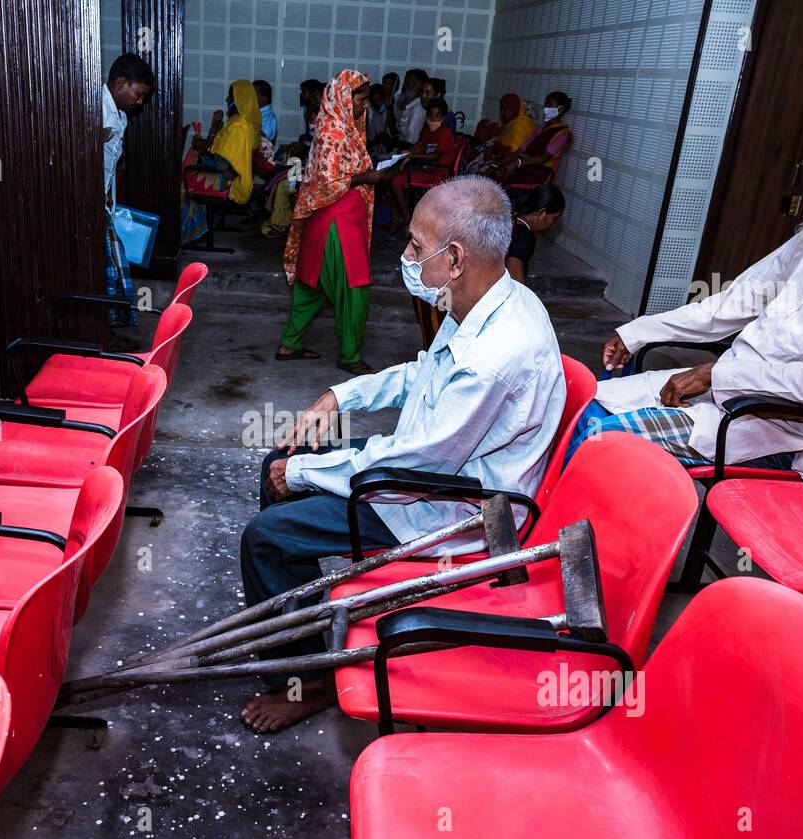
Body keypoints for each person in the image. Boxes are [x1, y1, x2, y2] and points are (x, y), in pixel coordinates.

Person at [241, 175, 567, 732]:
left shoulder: (496, 354)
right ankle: (300, 618)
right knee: (286, 461)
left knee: (266, 534)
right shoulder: (486, 298)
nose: (406, 255)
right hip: (426, 471)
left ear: (456, 258)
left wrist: (300, 473)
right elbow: (422, 374)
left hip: (448, 508)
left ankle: (306, 680)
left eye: (417, 246)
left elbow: (414, 467)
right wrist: (340, 395)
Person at [575, 82, 803, 505]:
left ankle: (591, 558)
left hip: (794, 429)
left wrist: (716, 374)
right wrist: (639, 331)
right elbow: (736, 302)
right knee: (583, 410)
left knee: (599, 442)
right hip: (729, 394)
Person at [275, 70, 385, 374]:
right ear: (343, 98)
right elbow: (327, 180)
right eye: (360, 99)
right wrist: (367, 177)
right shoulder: (333, 131)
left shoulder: (341, 126)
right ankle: (350, 355)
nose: (364, 105)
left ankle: (289, 344)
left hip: (332, 218)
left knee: (313, 285)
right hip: (337, 220)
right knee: (354, 288)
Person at [101, 52, 155, 346]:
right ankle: (100, 333)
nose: (140, 102)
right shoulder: (94, 107)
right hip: (83, 200)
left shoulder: (120, 115)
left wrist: (110, 199)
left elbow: (109, 165)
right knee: (100, 269)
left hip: (102, 199)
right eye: (139, 94)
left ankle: (105, 329)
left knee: (109, 267)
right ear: (122, 82)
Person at [181, 78, 261, 243]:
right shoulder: (243, 123)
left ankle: (190, 231)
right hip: (225, 174)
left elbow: (222, 160)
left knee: (179, 183)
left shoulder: (239, 126)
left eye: (230, 97)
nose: (227, 101)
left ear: (239, 99)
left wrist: (204, 148)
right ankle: (199, 225)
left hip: (222, 178)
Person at [385, 98, 458, 233]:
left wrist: (412, 156)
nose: (433, 118)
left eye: (437, 115)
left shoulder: (445, 133)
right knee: (389, 180)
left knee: (396, 182)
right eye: (430, 115)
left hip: (438, 173)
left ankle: (408, 220)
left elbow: (435, 156)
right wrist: (409, 152)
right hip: (425, 170)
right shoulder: (426, 132)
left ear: (443, 117)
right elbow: (417, 148)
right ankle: (398, 217)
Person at [500, 91, 573, 188]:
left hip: (541, 171)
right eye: (545, 105)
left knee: (510, 179)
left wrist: (516, 163)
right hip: (525, 164)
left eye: (550, 105)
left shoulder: (562, 133)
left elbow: (542, 159)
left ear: (561, 109)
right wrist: (500, 163)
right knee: (498, 171)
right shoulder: (541, 127)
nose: (546, 109)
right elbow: (520, 150)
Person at [505, 184, 564, 283]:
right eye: (555, 218)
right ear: (542, 213)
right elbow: (514, 273)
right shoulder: (525, 237)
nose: (554, 225)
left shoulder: (513, 219)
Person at [393, 68, 426, 146]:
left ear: (418, 86)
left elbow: (411, 142)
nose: (404, 85)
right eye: (405, 81)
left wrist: (392, 143)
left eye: (409, 83)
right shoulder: (405, 105)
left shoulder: (417, 109)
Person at [254, 79, 277, 143]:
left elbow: (262, 142)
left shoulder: (268, 118)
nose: (250, 97)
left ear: (265, 97)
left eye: (254, 94)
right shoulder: (256, 114)